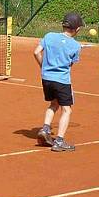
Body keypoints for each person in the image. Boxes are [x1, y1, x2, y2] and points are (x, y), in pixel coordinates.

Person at [33, 12, 83, 152]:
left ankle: (45, 129)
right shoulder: (76, 46)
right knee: (66, 110)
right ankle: (59, 141)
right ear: (77, 29)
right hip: (61, 81)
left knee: (53, 104)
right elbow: (69, 65)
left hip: (46, 78)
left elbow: (36, 52)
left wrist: (44, 67)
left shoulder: (49, 36)